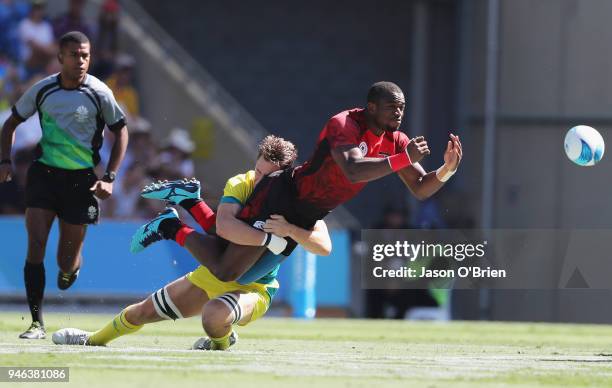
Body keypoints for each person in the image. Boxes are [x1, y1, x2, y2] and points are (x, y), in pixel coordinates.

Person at [130, 81, 462, 284]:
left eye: (402, 109)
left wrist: (446, 170)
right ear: (371, 106)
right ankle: (171, 226)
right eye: (392, 107)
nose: (399, 115)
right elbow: (353, 170)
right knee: (225, 269)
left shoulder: (395, 141)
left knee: (234, 264)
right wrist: (404, 158)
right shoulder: (344, 123)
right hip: (283, 195)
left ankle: (189, 202)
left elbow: (420, 189)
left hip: (305, 214)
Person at [52, 135, 331, 351]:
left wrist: (290, 229)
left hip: (255, 288)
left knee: (213, 317)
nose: (258, 181)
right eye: (257, 171)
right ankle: (93, 339)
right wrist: (270, 237)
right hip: (215, 269)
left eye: (267, 177)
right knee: (142, 312)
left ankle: (183, 212)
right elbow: (223, 227)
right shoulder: (241, 182)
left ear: (283, 177)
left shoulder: (295, 200)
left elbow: (324, 247)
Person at [0, 31, 129, 339]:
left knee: (64, 263)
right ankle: (36, 323)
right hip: (44, 175)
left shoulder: (99, 92)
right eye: (74, 55)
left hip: (81, 181)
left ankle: (72, 267)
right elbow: (11, 123)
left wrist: (109, 177)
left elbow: (121, 130)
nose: (80, 60)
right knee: (35, 246)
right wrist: (4, 162)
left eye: (85, 55)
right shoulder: (43, 90)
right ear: (60, 58)